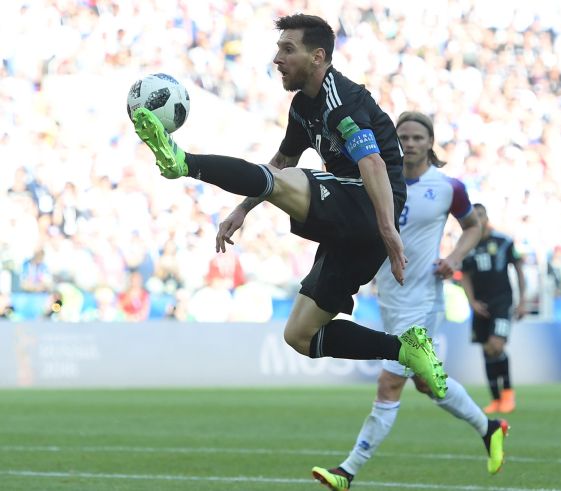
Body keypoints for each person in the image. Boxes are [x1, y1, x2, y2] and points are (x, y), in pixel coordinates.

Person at [131, 14, 447, 397]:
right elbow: (280, 164)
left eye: (287, 49)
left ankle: (184, 162)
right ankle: (404, 348)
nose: (277, 58)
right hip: (351, 229)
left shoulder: (340, 100)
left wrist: (388, 232)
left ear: (317, 57)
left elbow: (373, 164)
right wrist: (242, 209)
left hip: (368, 204)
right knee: (299, 335)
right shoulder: (302, 106)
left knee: (294, 182)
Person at [311, 112, 509, 491]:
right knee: (425, 383)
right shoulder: (379, 179)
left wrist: (453, 259)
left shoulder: (448, 187)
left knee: (389, 384)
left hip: (423, 301)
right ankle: (490, 428)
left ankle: (347, 471)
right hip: (390, 297)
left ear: (431, 142)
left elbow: (473, 227)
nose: (411, 142)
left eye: (418, 136)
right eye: (404, 136)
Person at [459, 204, 525, 414]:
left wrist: (523, 301)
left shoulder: (503, 242)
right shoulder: (467, 245)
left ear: (487, 216)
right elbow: (465, 276)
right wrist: (472, 302)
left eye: (481, 215)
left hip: (502, 302)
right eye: (474, 216)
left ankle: (507, 395)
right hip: (480, 304)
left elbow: (519, 270)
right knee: (486, 350)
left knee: (496, 345)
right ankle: (495, 399)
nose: (478, 219)